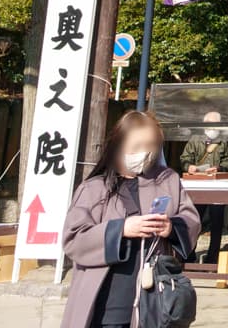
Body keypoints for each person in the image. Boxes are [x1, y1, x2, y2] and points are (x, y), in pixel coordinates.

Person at [61, 110, 200, 328]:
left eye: (151, 146)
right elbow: (74, 238)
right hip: (105, 302)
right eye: (137, 147)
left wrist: (171, 227)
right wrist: (121, 229)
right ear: (118, 144)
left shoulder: (167, 180)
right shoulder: (94, 188)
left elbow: (191, 220)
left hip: (154, 303)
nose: (144, 153)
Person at [181, 109, 228, 267]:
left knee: (217, 224)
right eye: (208, 124)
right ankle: (189, 255)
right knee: (194, 220)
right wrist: (190, 166)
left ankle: (212, 258)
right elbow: (184, 158)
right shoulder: (195, 140)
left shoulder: (226, 141)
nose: (212, 127)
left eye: (215, 124)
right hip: (199, 187)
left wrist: (219, 168)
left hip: (218, 187)